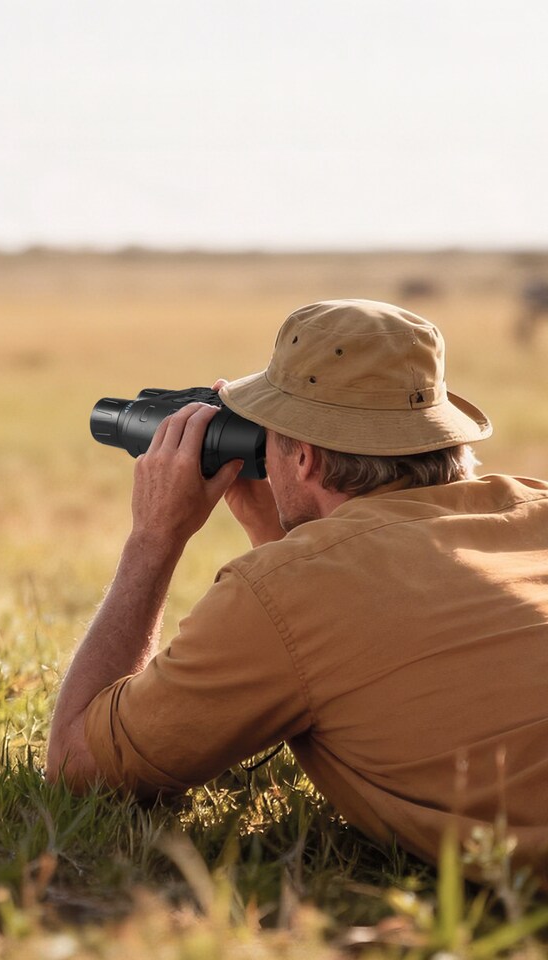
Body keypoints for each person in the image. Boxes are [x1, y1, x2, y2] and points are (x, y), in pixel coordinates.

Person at [46, 298, 548, 881]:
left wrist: (154, 540)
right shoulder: (533, 504)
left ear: (304, 457)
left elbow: (77, 764)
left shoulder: (281, 595)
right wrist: (277, 530)